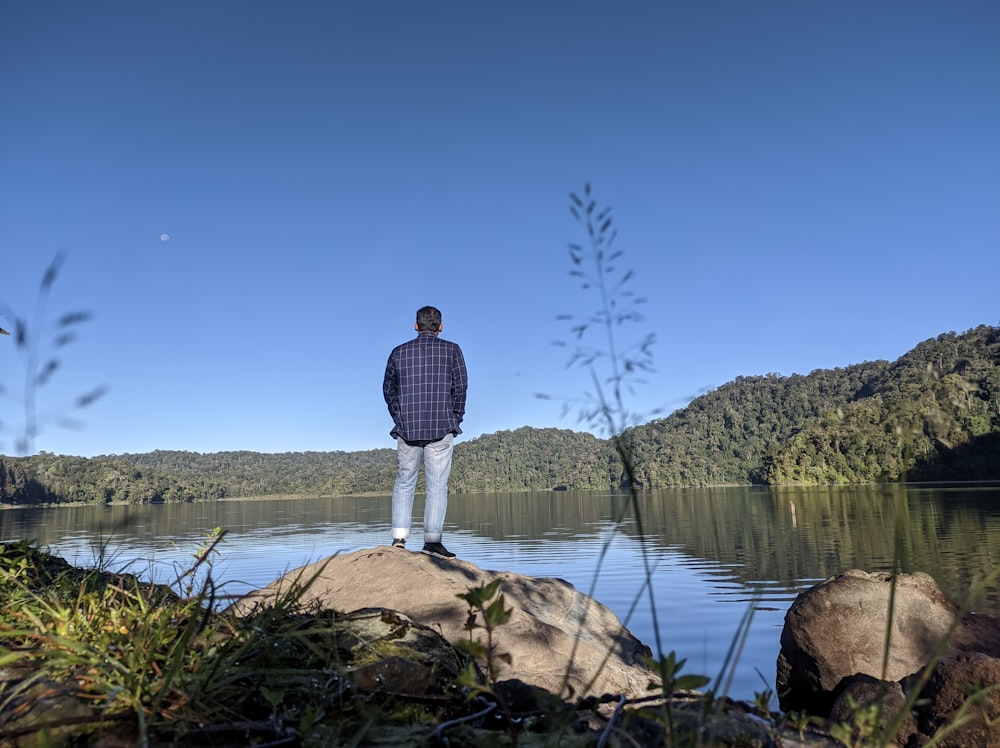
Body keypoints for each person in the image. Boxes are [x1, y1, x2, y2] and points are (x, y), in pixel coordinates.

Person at [382, 305, 468, 558]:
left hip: (407, 427)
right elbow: (461, 388)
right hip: (441, 426)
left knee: (404, 482)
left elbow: (389, 391)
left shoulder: (398, 352)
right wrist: (455, 418)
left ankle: (398, 539)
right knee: (437, 486)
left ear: (416, 326)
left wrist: (400, 417)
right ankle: (432, 543)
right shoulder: (452, 350)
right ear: (440, 327)